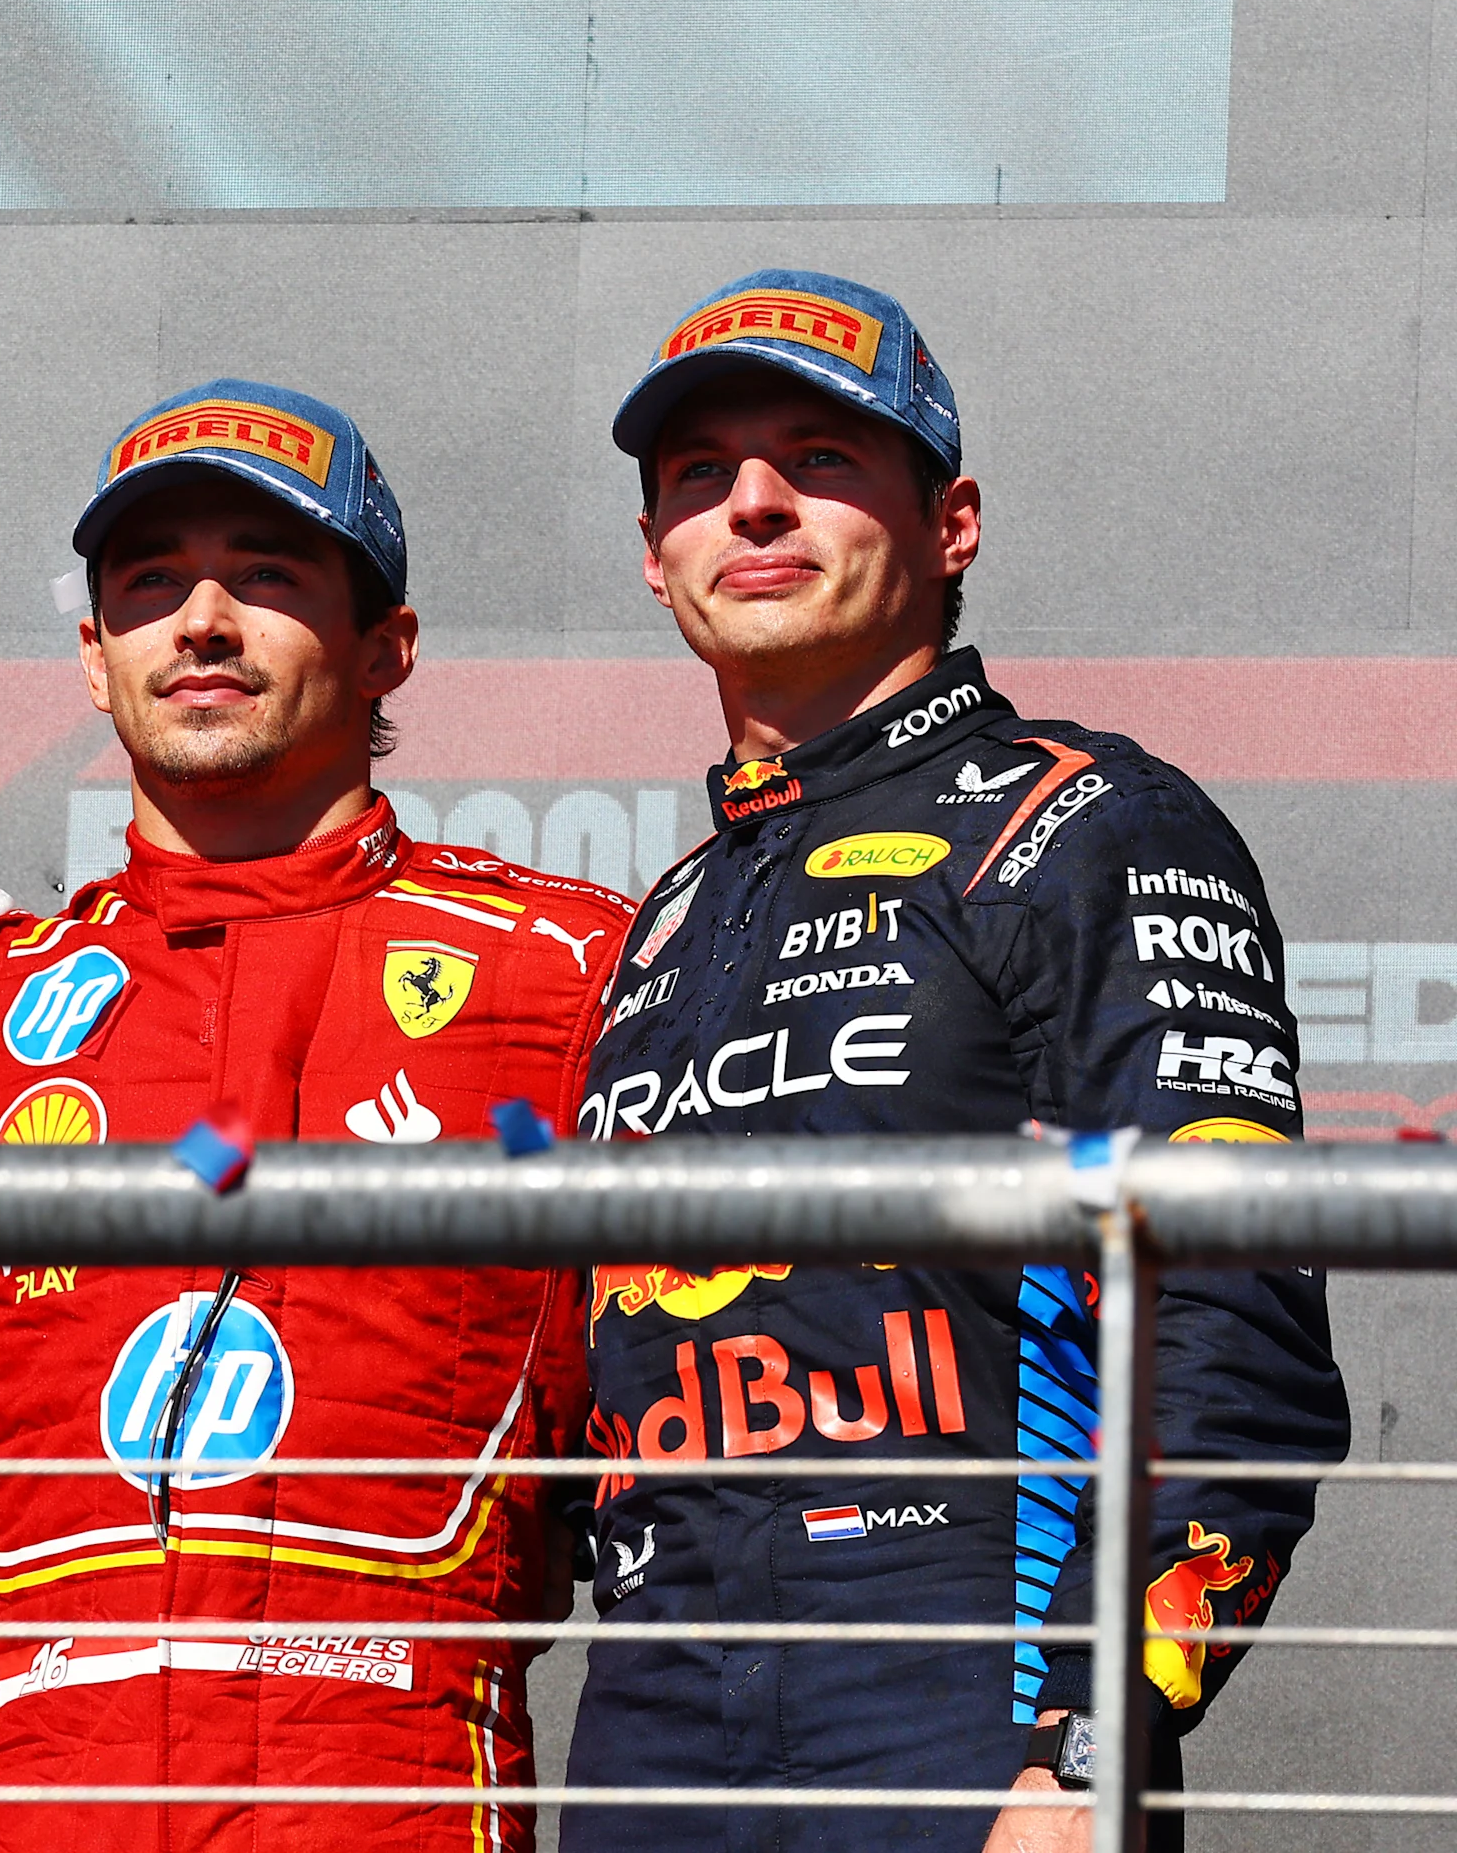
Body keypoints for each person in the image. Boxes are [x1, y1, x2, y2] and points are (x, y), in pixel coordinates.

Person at [567, 270, 1349, 1851]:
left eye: (823, 459)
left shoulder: (1082, 822)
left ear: (954, 523)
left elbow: (1232, 1301)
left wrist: (1091, 1737)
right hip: (652, 1703)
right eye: (702, 479)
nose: (757, 507)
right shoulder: (663, 918)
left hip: (957, 1686)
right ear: (659, 563)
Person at [0, 379, 633, 1850]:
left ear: (389, 648)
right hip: (52, 1782)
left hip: (395, 1781)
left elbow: (644, 1379)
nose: (201, 620)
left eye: (266, 574)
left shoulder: (569, 965)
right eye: (151, 584)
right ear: (93, 656)